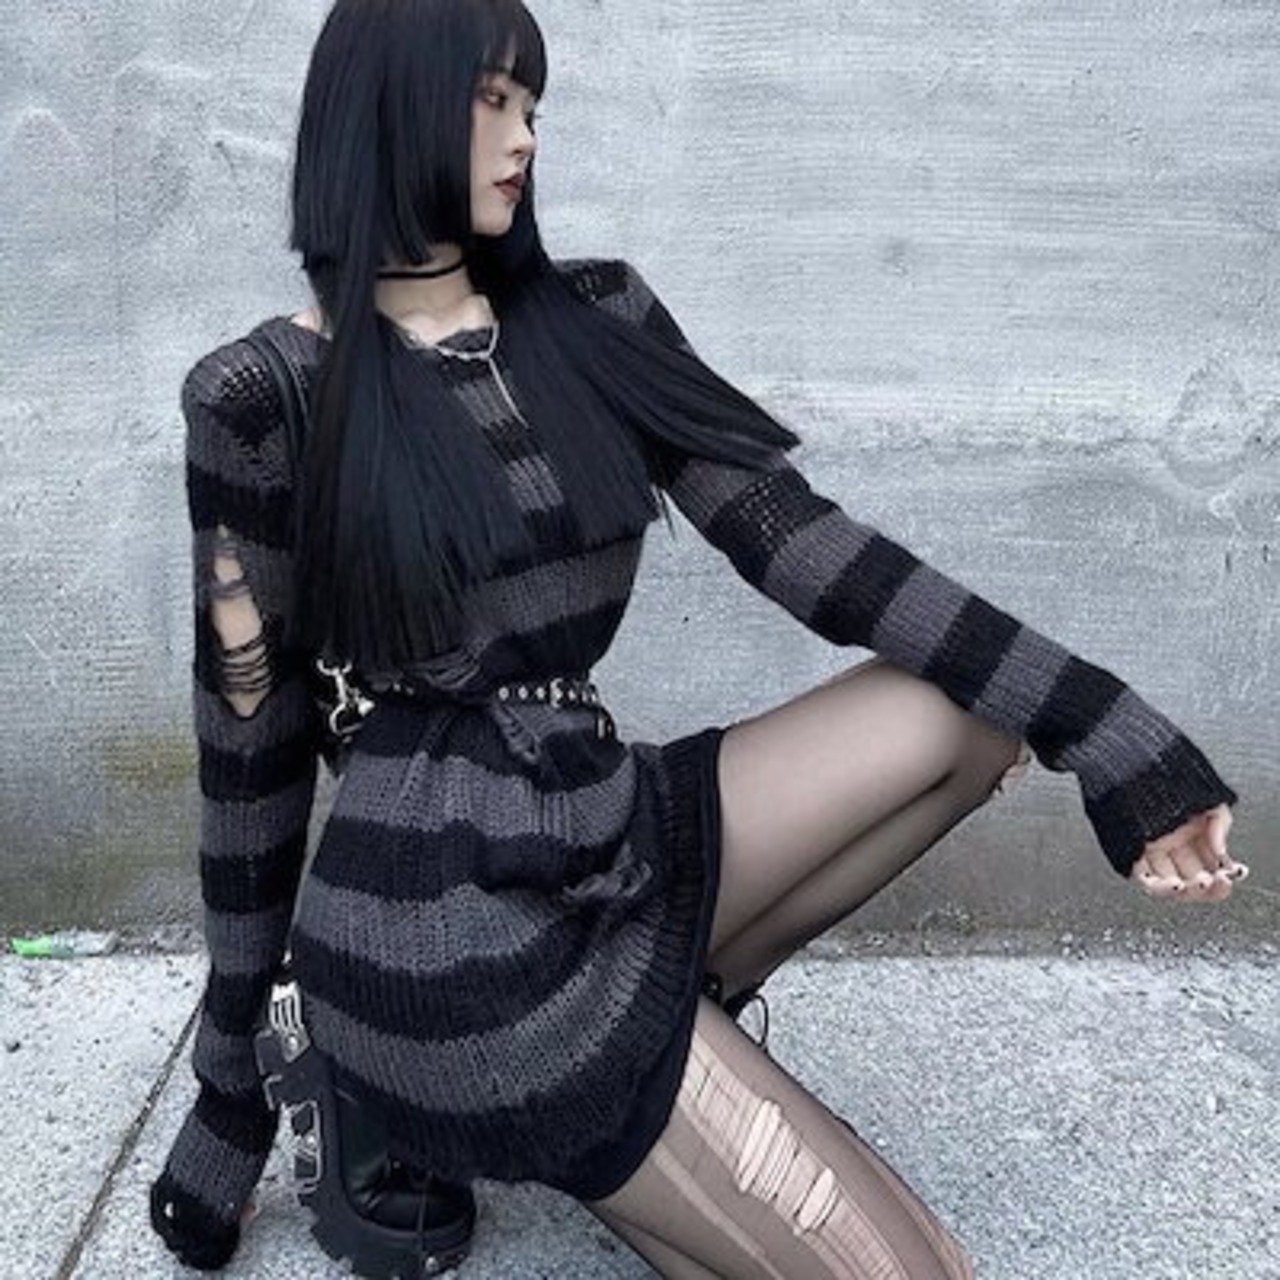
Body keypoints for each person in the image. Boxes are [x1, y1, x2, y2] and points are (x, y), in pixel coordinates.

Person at [148, 1, 1248, 1276]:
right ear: (385, 114)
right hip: (437, 932)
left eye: (532, 106)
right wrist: (227, 1088)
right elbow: (249, 741)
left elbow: (807, 545)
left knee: (966, 712)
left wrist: (1107, 728)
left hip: (592, 824)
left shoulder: (595, 316)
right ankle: (403, 1077)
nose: (524, 137)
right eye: (491, 100)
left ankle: (651, 1043)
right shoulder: (264, 395)